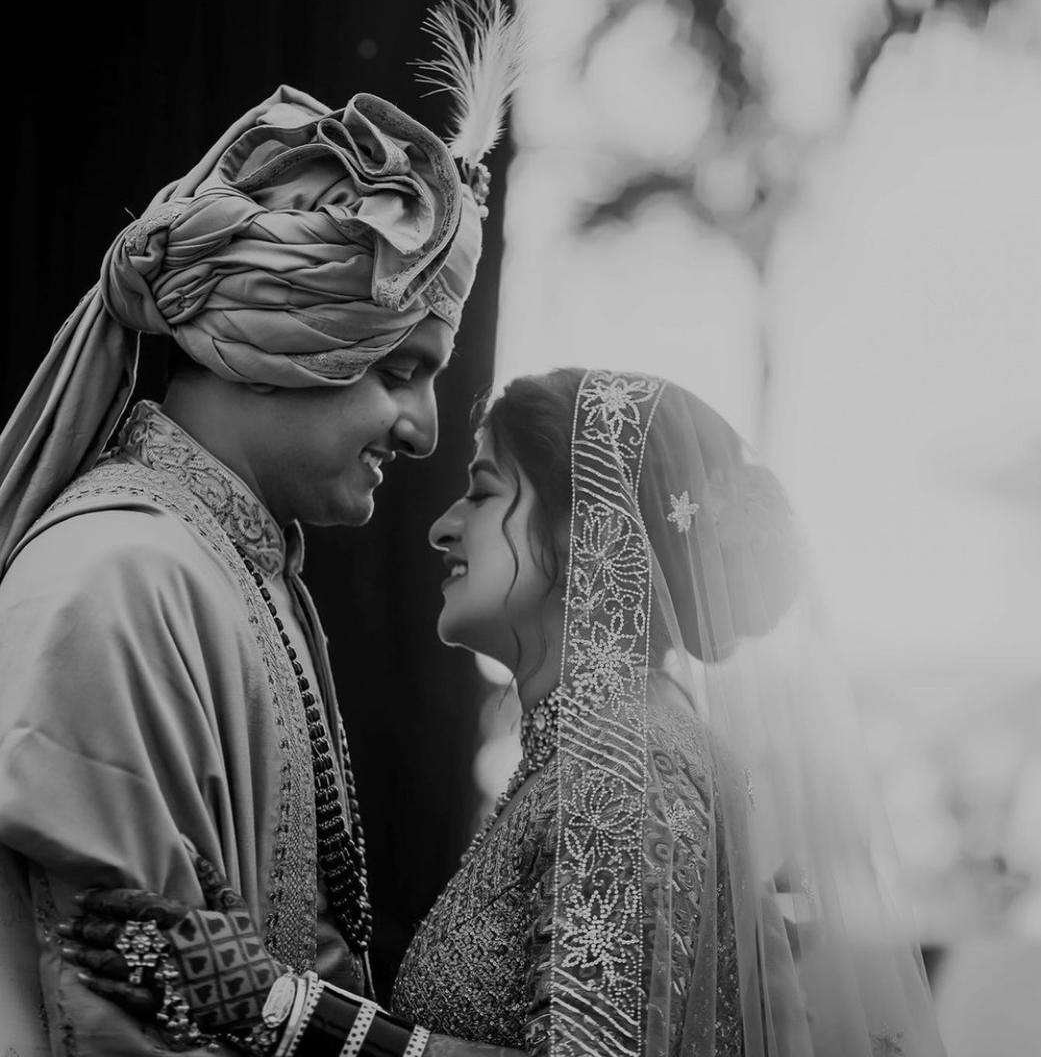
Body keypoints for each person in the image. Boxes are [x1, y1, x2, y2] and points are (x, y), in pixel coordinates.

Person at [63, 367, 948, 1057]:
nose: (442, 527)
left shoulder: (623, 769)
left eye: (484, 492)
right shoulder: (600, 750)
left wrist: (275, 1006)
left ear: (587, 531)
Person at [0, 0, 522, 1055]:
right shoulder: (119, 575)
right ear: (283, 342)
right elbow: (114, 998)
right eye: (402, 371)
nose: (423, 430)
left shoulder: (225, 564)